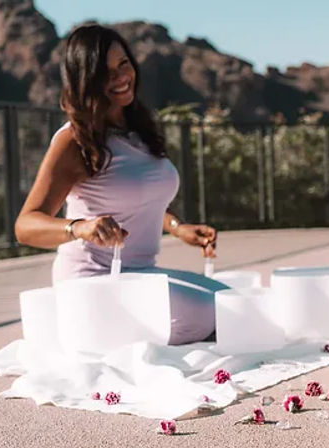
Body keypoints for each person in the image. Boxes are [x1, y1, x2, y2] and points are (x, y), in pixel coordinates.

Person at [14, 25, 225, 345]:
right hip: (93, 283)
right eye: (105, 72)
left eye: (123, 64)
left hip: (141, 276)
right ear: (85, 79)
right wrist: (80, 227)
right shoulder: (74, 140)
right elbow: (25, 225)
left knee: (234, 301)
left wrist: (177, 227)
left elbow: (141, 200)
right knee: (221, 314)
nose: (120, 76)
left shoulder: (138, 129)